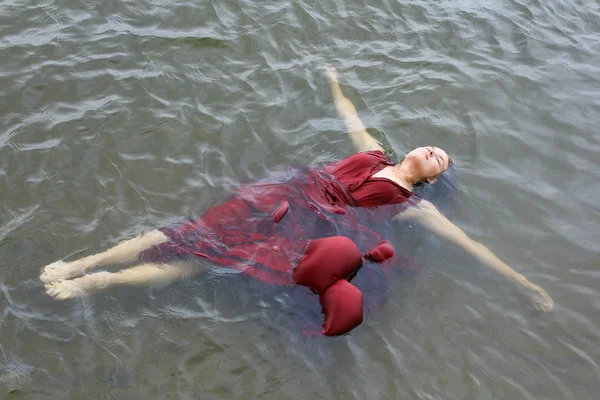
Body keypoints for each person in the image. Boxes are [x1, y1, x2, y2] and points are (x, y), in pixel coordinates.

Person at [41, 67, 553, 313]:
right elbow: (350, 115)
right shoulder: (374, 151)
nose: (436, 150)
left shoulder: (411, 204)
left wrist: (525, 285)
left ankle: (99, 284)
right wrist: (332, 81)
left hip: (301, 227)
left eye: (442, 159)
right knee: (187, 233)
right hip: (280, 194)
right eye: (435, 146)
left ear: (432, 177)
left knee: (201, 259)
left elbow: (472, 245)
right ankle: (83, 263)